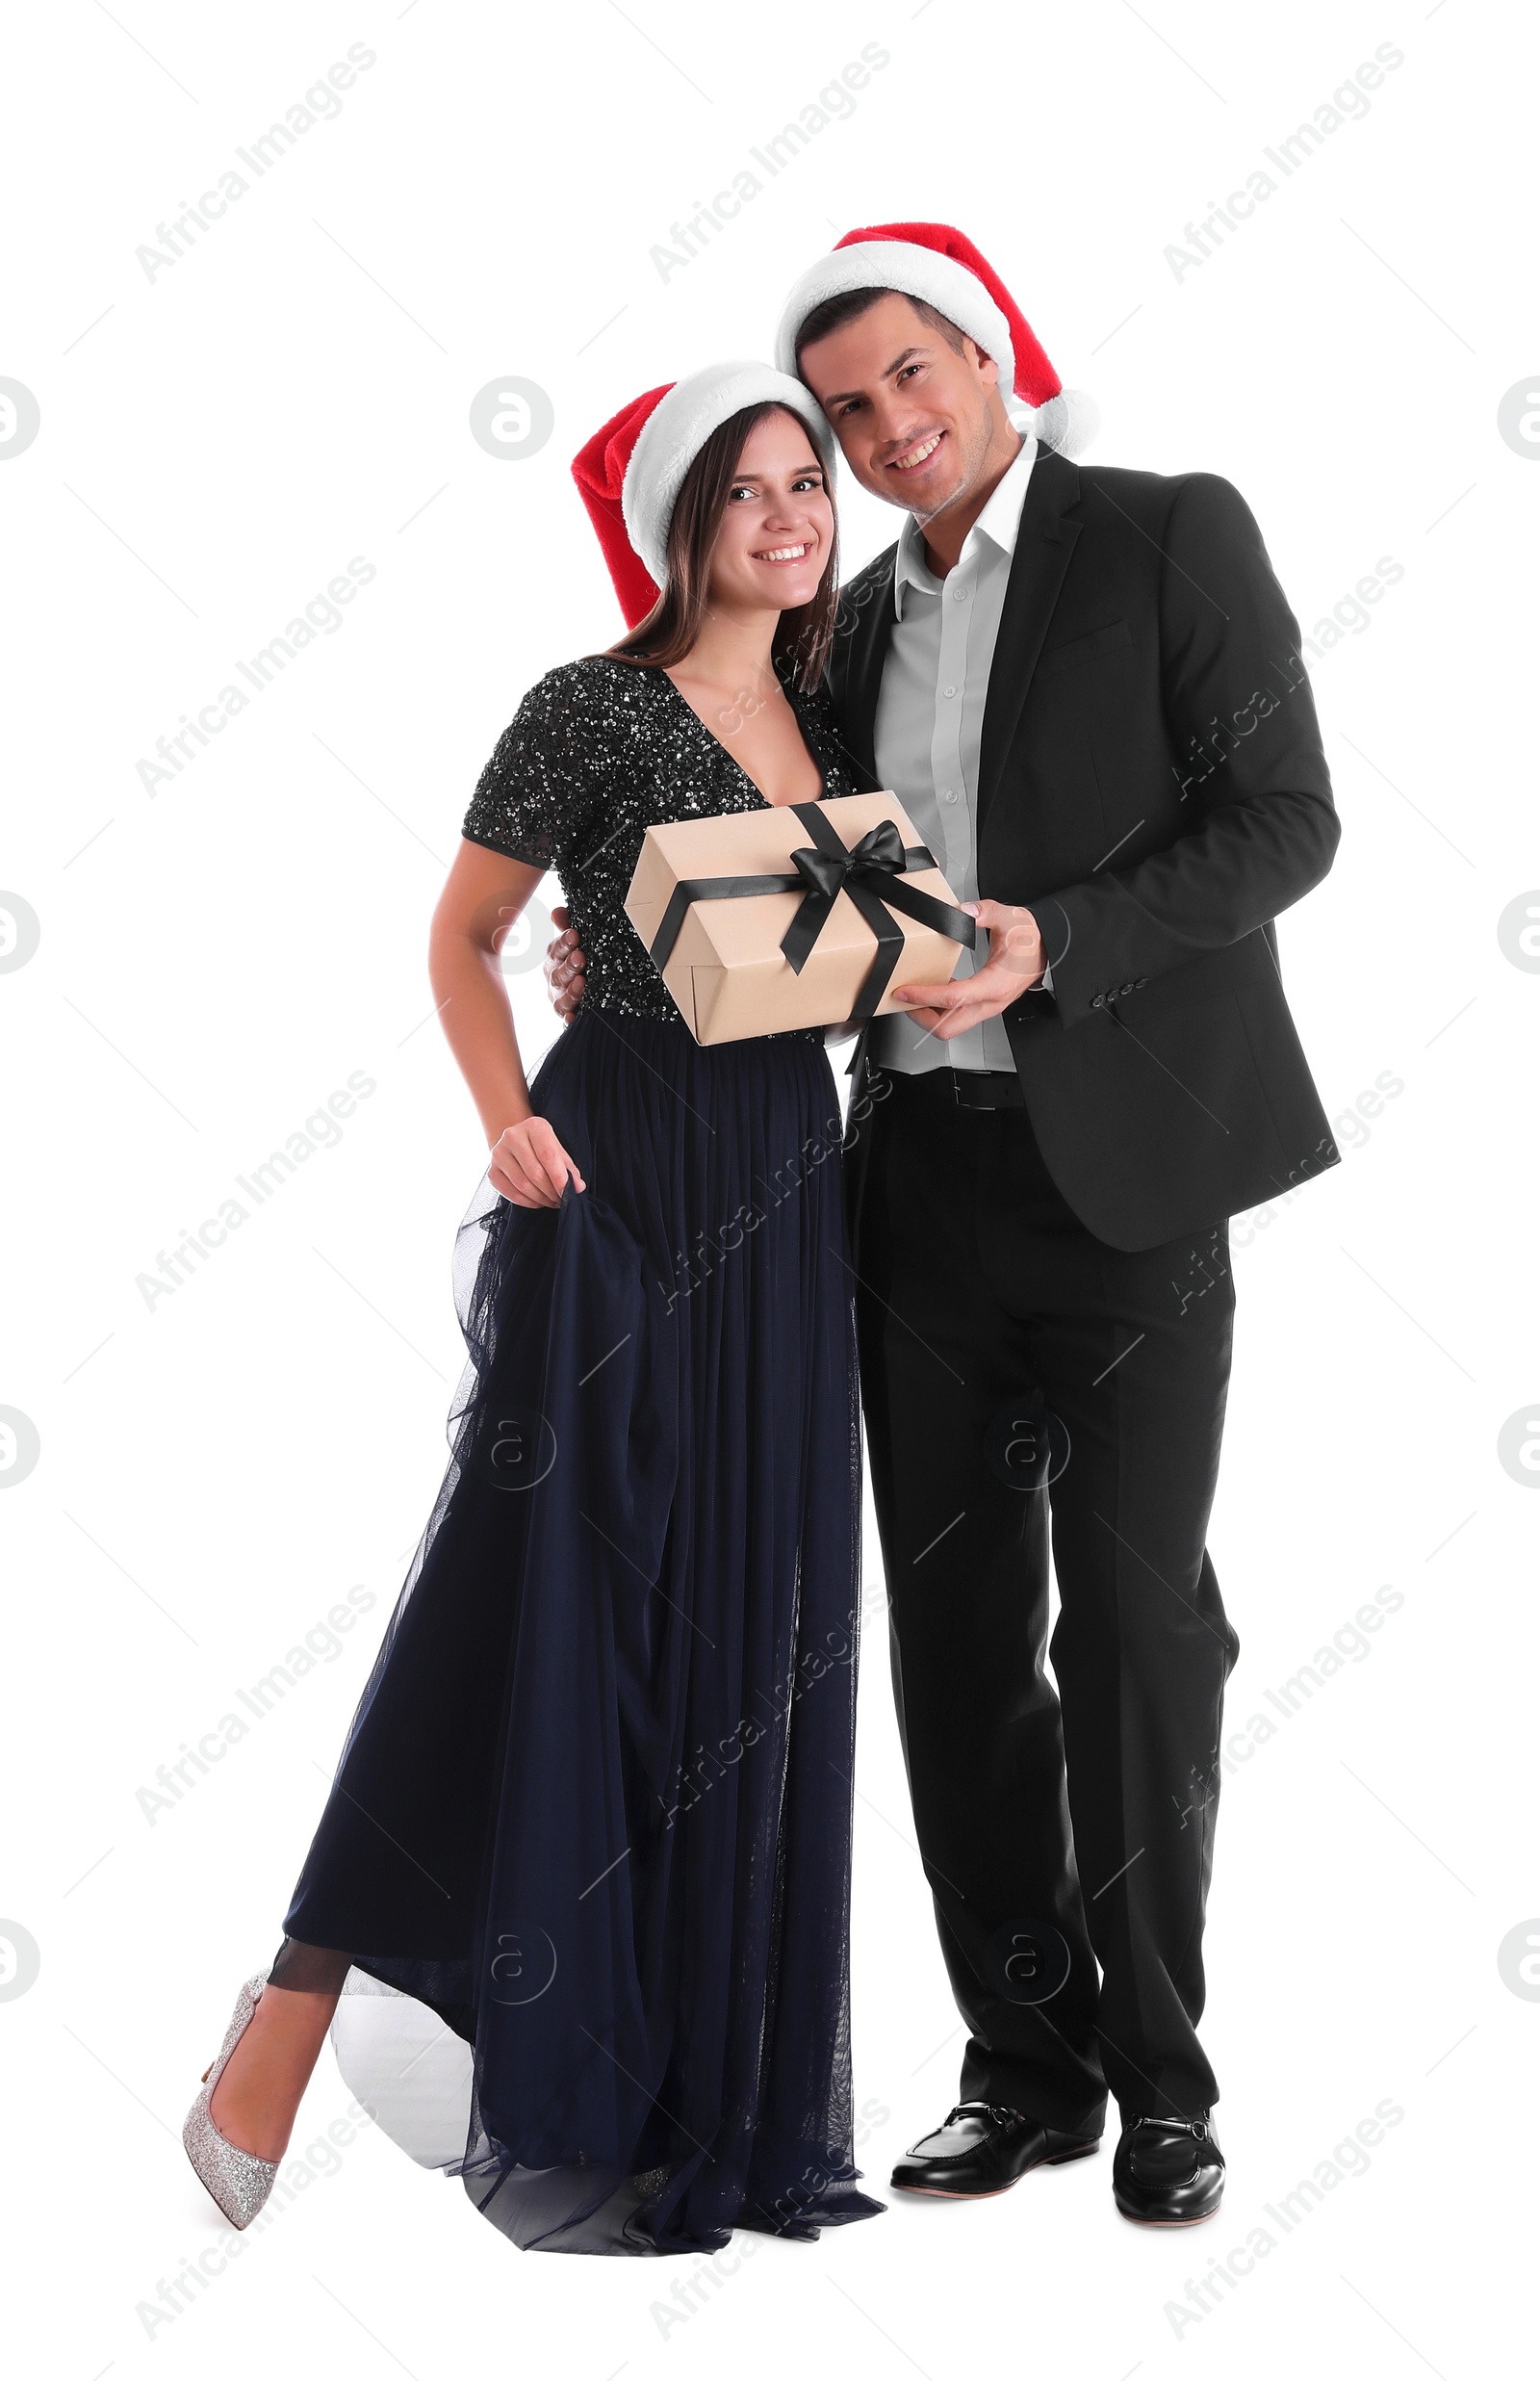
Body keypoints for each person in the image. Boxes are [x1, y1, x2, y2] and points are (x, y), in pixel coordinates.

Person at [547, 223, 1343, 2228]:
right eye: (843, 410)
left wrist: (1057, 942)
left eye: (914, 373)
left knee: (1142, 1632)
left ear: (987, 355)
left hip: (1128, 1190)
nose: (891, 426)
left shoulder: (1164, 534)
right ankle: (1026, 2062)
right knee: (956, 1647)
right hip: (903, 1192)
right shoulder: (835, 627)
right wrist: (619, 951)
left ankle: (1164, 2079)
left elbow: (1284, 821)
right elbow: (772, 878)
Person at [183, 362, 886, 2257]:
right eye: (744, 491)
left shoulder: (840, 703)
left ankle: (677, 2095)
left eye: (801, 483)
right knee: (530, 1583)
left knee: (746, 1624)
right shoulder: (586, 709)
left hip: (785, 1182)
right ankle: (287, 2009)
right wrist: (503, 1115)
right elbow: (462, 934)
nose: (785, 517)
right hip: (613, 1177)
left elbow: (842, 952)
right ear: (677, 522)